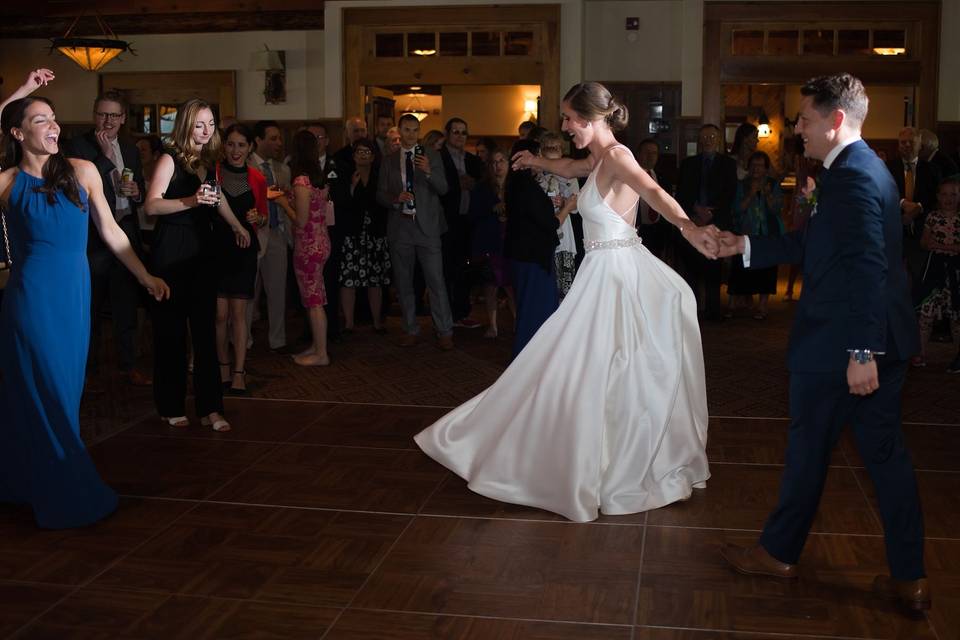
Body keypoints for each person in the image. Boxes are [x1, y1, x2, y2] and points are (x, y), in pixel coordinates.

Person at [414, 81, 718, 523]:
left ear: (591, 119)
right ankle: (593, 457)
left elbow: (653, 192)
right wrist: (538, 158)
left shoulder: (617, 157)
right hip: (598, 274)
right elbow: (576, 167)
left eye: (569, 119)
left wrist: (689, 228)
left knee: (586, 366)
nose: (564, 126)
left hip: (616, 277)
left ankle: (617, 463)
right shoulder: (598, 158)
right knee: (580, 367)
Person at [717, 73, 929, 613]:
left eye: (805, 121)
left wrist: (862, 352)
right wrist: (744, 245)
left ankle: (778, 553)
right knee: (884, 460)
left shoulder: (853, 178)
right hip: (869, 343)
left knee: (810, 452)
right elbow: (817, 246)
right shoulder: (863, 169)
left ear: (836, 121)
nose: (797, 131)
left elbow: (868, 268)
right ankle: (911, 578)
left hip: (843, 348)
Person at [0, 95, 169, 529]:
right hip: (30, 303)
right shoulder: (6, 182)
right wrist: (17, 93)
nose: (54, 126)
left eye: (55, 118)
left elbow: (111, 231)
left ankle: (27, 481)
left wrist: (144, 275)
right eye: (41, 120)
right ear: (18, 134)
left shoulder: (84, 171)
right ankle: (65, 491)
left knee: (65, 395)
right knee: (46, 395)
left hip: (74, 301)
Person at [145, 99, 250, 433]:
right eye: (199, 125)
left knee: (205, 332)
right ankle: (171, 405)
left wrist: (237, 225)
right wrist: (190, 201)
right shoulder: (169, 158)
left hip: (202, 253)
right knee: (171, 332)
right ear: (186, 126)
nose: (206, 131)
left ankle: (211, 408)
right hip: (172, 252)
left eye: (210, 125)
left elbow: (217, 200)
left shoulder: (207, 161)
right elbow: (151, 206)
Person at [66, 90, 150, 387]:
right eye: (103, 114)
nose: (108, 120)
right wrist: (102, 158)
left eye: (114, 115)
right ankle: (87, 370)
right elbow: (77, 189)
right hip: (92, 238)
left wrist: (137, 192)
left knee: (126, 305)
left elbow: (137, 184)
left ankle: (128, 366)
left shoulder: (129, 148)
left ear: (123, 118)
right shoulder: (78, 145)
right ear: (94, 115)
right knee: (90, 307)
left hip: (125, 230)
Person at [376, 114, 454, 350]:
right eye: (407, 130)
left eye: (415, 130)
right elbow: (379, 194)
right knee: (404, 282)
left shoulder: (431, 155)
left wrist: (429, 172)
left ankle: (444, 330)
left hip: (427, 227)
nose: (411, 134)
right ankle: (410, 328)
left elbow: (444, 189)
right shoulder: (388, 160)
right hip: (401, 227)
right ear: (399, 131)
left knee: (436, 281)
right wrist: (395, 199)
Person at [214, 124, 267, 394]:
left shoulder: (257, 178)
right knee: (219, 315)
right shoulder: (213, 173)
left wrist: (258, 218)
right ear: (224, 146)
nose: (235, 150)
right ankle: (222, 366)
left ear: (250, 148)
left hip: (244, 250)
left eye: (241, 145)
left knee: (238, 314)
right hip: (217, 249)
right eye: (231, 144)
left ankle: (238, 372)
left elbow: (264, 214)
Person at [503, 137, 566, 357]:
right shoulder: (527, 188)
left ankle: (532, 363)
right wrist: (568, 207)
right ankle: (527, 364)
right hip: (532, 259)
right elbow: (550, 224)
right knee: (535, 313)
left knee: (531, 311)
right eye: (536, 156)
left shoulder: (517, 185)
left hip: (525, 256)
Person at [275, 130, 333, 366]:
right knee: (315, 299)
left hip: (308, 245)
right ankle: (317, 346)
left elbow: (300, 219)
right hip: (322, 241)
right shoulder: (318, 179)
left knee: (314, 301)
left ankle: (321, 354)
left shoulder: (301, 181)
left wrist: (281, 202)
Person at [339, 139, 390, 333]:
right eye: (359, 151)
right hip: (353, 234)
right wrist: (352, 187)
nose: (363, 155)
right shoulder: (346, 175)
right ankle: (349, 322)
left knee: (375, 280)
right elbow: (342, 202)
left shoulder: (379, 177)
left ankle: (377, 321)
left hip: (375, 234)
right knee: (349, 280)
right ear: (353, 156)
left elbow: (384, 202)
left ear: (373, 156)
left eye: (367, 151)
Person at [727, 151, 783, 319]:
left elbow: (776, 209)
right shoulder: (742, 184)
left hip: (768, 233)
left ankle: (762, 306)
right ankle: (732, 304)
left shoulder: (773, 184)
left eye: (760, 165)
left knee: (766, 270)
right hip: (745, 232)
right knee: (740, 270)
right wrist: (751, 194)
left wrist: (767, 194)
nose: (756, 168)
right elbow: (736, 210)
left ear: (766, 169)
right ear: (748, 167)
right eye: (753, 165)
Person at [915, 177, 960, 371]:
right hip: (934, 270)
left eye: (953, 194)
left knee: (957, 315)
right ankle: (919, 353)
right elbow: (924, 242)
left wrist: (943, 246)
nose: (948, 198)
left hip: (956, 272)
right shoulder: (932, 217)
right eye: (944, 194)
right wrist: (945, 247)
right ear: (937, 196)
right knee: (926, 311)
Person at [468, 148, 513, 338]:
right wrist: (492, 209)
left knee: (512, 285)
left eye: (501, 160)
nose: (498, 165)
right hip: (490, 240)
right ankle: (493, 325)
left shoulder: (515, 186)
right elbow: (474, 215)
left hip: (511, 240)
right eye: (494, 162)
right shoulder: (482, 188)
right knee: (491, 284)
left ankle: (518, 321)